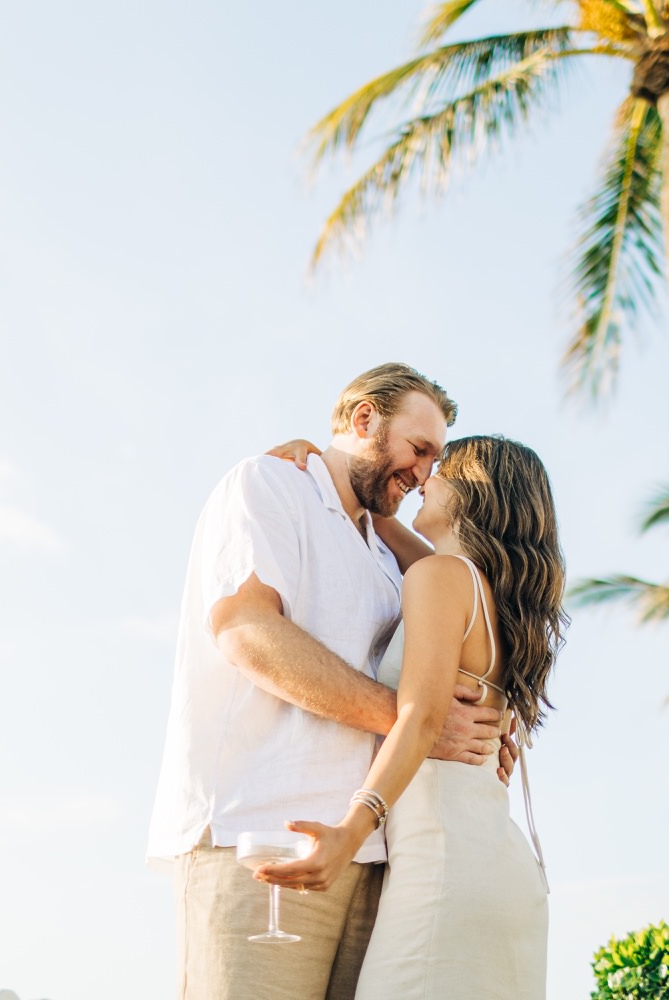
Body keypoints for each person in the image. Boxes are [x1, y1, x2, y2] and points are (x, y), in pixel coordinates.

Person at [147, 363, 514, 1000]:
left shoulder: (388, 552)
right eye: (418, 449)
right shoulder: (267, 485)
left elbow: (464, 641)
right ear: (364, 419)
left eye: (436, 461)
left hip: (373, 860)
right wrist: (415, 725)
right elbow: (244, 631)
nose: (425, 473)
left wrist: (491, 729)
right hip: (258, 839)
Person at [257, 434, 566, 998]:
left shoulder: (442, 578)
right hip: (497, 871)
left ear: (474, 493)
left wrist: (351, 830)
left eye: (441, 469)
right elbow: (398, 537)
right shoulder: (484, 594)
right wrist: (333, 472)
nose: (425, 478)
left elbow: (420, 720)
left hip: (445, 874)